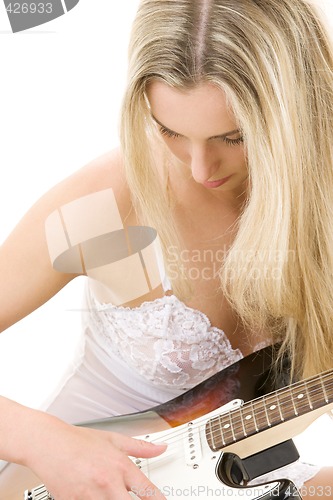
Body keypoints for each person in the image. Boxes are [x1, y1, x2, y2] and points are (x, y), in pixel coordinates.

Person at [1, 0, 333, 498]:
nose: (201, 168)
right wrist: (42, 441)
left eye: (233, 136)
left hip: (236, 479)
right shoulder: (110, 198)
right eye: (171, 131)